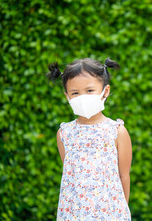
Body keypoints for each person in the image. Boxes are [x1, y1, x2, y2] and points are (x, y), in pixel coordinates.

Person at [46, 57, 132, 220]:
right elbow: (71, 175)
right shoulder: (64, 133)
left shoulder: (117, 131)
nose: (82, 97)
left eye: (89, 90)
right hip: (73, 214)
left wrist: (122, 210)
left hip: (110, 214)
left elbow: (124, 176)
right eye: (75, 93)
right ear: (67, 97)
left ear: (105, 91)